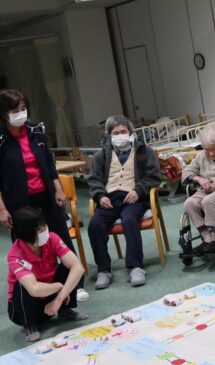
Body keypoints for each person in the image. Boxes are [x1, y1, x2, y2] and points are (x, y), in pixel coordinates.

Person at [0, 89, 89, 303]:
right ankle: (38, 290)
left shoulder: (36, 130)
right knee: (28, 246)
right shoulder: (1, 139)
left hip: (45, 195)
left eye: (24, 109)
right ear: (4, 114)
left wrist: (58, 189)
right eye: (15, 111)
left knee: (61, 238)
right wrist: (2, 209)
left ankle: (75, 287)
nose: (21, 114)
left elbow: (49, 163)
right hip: (19, 202)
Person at [87, 115, 161, 289]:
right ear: (109, 135)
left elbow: (153, 176)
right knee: (95, 224)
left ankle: (136, 267)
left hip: (134, 197)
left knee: (129, 220)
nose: (120, 135)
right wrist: (100, 196)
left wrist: (138, 190)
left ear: (130, 132)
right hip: (109, 199)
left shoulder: (144, 152)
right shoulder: (101, 155)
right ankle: (104, 270)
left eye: (123, 131)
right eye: (116, 133)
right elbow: (94, 179)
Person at [6, 207, 87, 342]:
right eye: (40, 229)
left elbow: (78, 267)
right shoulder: (15, 255)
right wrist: (59, 286)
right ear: (27, 234)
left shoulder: (52, 238)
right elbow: (34, 289)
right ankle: (29, 324)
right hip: (26, 307)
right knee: (22, 284)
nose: (45, 231)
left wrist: (59, 299)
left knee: (69, 268)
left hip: (52, 301)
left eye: (44, 226)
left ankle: (65, 311)